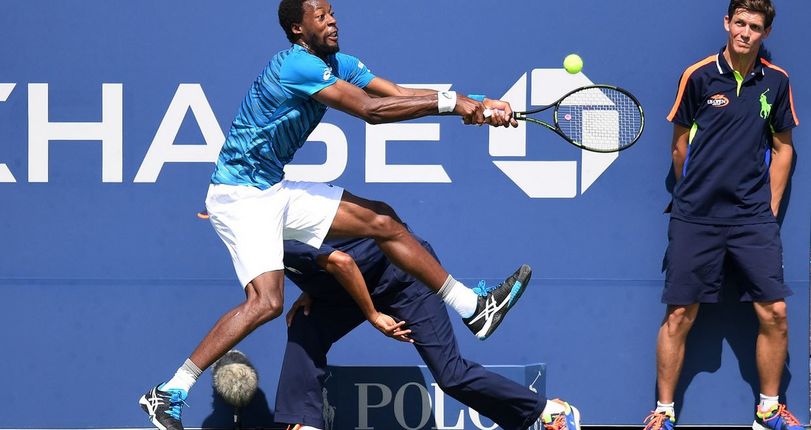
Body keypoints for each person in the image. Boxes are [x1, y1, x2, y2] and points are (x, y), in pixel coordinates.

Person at [139, 1, 532, 429]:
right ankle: (170, 390)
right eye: (320, 15)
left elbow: (396, 95)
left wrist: (478, 104)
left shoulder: (338, 63)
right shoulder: (296, 66)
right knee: (267, 303)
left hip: (271, 188)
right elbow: (370, 111)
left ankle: (473, 306)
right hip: (240, 196)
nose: (332, 20)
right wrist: (454, 103)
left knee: (382, 221)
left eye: (332, 12)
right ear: (297, 28)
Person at [644, 1, 799, 429]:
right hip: (696, 217)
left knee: (775, 314)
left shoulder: (777, 82)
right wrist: (694, 194)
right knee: (679, 315)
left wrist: (766, 207)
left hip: (752, 220)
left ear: (764, 34)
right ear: (727, 23)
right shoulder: (697, 76)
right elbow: (679, 147)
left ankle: (768, 409)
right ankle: (663, 412)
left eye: (754, 27)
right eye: (739, 23)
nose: (744, 33)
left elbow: (784, 148)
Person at [275, 235, 580, 430]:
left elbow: (342, 262)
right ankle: (303, 423)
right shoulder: (254, 236)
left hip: (404, 277)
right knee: (306, 323)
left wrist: (373, 316)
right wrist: (313, 290)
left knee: (451, 375)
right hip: (355, 284)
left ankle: (549, 412)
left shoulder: (275, 227)